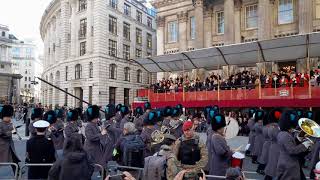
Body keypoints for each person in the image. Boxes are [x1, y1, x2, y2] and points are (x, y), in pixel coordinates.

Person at [276, 110, 312, 180]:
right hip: (289, 165)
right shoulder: (285, 135)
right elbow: (292, 150)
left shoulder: (284, 133)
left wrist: (299, 138)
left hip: (289, 163)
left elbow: (290, 144)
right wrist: (304, 145)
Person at [207, 112, 233, 180]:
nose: (224, 129)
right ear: (220, 128)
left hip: (219, 163)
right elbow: (221, 152)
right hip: (219, 164)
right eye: (223, 127)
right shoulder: (216, 137)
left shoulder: (218, 136)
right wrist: (230, 152)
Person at [83, 105, 108, 171]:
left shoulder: (95, 124)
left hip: (96, 148)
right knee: (93, 167)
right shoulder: (89, 126)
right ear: (93, 118)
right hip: (91, 150)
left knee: (100, 166)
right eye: (96, 118)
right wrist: (101, 134)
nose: (98, 119)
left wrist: (102, 130)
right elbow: (90, 137)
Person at [0, 105, 21, 175]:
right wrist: (10, 132)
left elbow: (12, 131)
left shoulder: (9, 122)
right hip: (2, 146)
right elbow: (1, 133)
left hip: (9, 145)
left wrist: (15, 129)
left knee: (14, 159)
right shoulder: (0, 123)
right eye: (8, 117)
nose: (10, 118)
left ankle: (17, 171)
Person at [264, 109, 282, 180]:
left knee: (272, 164)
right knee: (274, 165)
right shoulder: (276, 127)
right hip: (276, 147)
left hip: (273, 146)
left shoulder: (271, 126)